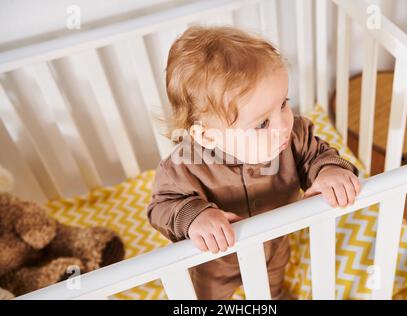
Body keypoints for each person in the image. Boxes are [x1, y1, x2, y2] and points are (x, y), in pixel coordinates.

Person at [147, 25, 361, 300]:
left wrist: (330, 170)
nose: (284, 123)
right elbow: (160, 207)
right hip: (216, 259)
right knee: (207, 298)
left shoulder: (294, 137)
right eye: (262, 123)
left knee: (271, 286)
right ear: (207, 136)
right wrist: (195, 216)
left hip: (275, 244)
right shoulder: (183, 166)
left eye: (284, 103)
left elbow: (317, 155)